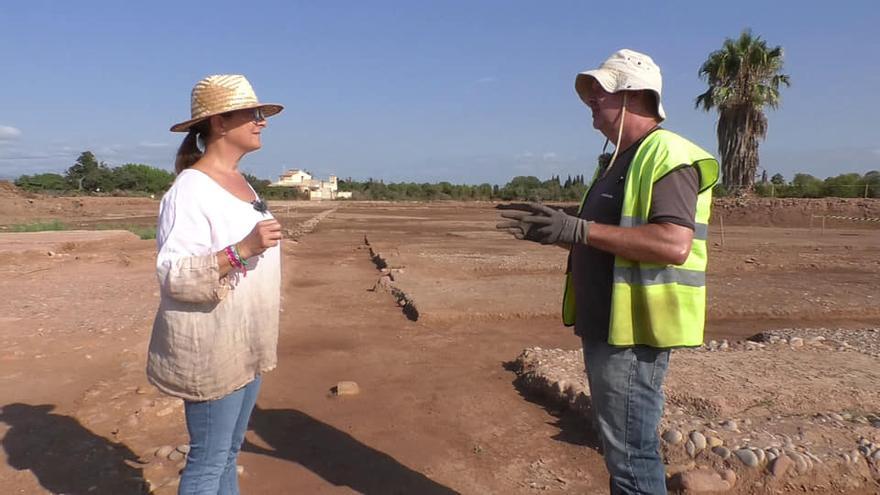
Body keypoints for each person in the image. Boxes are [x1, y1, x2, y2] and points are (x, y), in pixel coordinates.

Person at [497, 49, 719, 494]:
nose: (592, 105)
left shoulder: (666, 155)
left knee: (632, 456)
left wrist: (577, 228)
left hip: (635, 334)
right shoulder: (619, 161)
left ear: (633, 96)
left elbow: (673, 244)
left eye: (601, 95)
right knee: (622, 451)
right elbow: (603, 238)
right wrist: (555, 232)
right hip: (607, 327)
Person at [147, 74, 284, 495]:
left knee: (227, 455)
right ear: (220, 123)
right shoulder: (189, 191)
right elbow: (174, 275)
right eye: (253, 114)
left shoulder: (243, 184)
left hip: (246, 343)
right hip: (212, 349)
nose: (262, 122)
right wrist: (240, 249)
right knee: (207, 463)